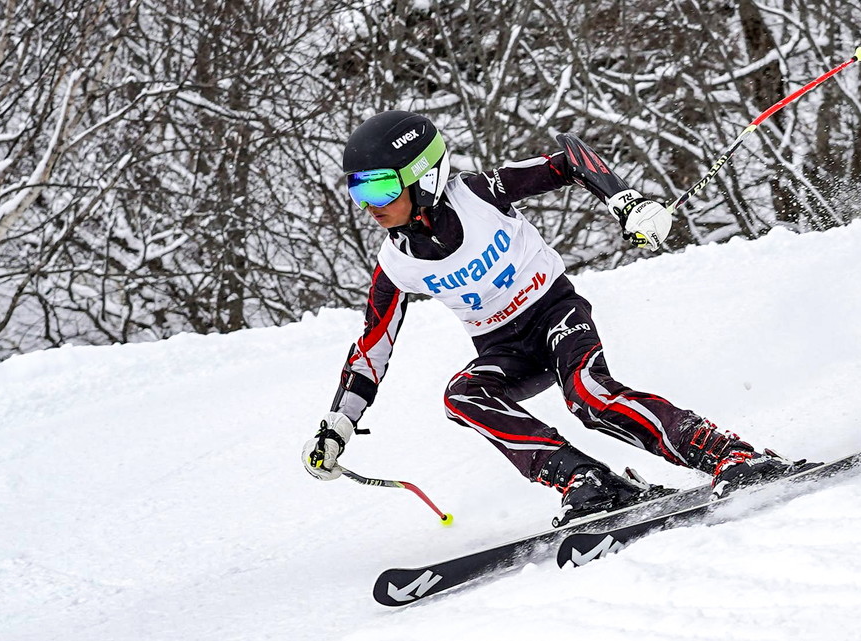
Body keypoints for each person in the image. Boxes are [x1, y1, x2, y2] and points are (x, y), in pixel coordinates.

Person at [303, 110, 807, 525]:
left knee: (587, 396)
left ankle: (728, 455)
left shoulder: (480, 194)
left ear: (424, 177)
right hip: (505, 351)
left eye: (379, 189)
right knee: (461, 396)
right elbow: (373, 348)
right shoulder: (397, 263)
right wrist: (339, 423)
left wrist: (624, 203)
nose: (369, 206)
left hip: (555, 312)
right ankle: (590, 482)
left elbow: (569, 156)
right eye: (358, 192)